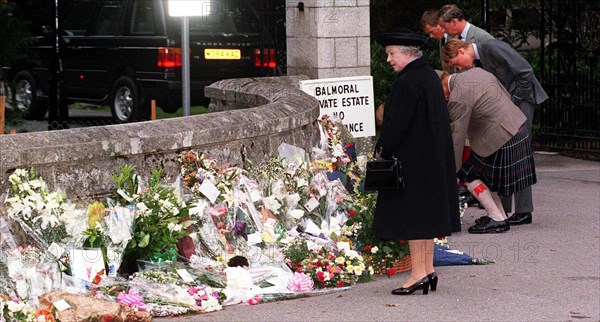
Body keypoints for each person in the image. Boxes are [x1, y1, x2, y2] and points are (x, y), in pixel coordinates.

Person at [373, 27, 460, 296]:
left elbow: (395, 124)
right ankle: (426, 270)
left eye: (391, 54)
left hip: (412, 159)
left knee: (413, 219)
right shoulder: (428, 76)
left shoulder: (407, 81)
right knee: (425, 219)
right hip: (430, 159)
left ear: (407, 53)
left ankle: (418, 274)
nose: (388, 59)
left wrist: (383, 150)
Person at [442, 38, 549, 225]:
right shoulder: (475, 64)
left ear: (461, 52)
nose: (458, 69)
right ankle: (504, 211)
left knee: (515, 154)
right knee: (506, 155)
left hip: (521, 99)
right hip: (504, 103)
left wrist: (513, 101)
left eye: (456, 64)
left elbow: (525, 72)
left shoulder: (492, 46)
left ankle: (523, 210)